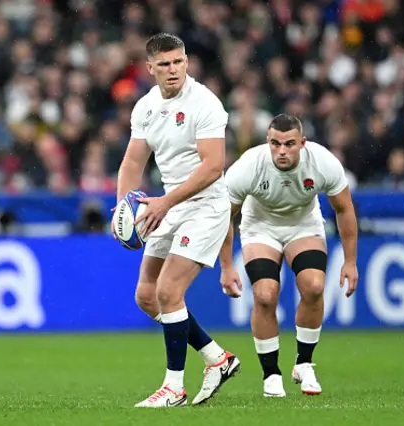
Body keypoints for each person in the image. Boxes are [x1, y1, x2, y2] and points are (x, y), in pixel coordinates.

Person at [115, 33, 240, 408]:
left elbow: (214, 166)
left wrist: (163, 203)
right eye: (165, 64)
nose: (173, 70)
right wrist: (125, 204)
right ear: (149, 68)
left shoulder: (205, 103)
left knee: (170, 292)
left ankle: (173, 389)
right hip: (168, 204)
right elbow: (133, 162)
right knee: (147, 296)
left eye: (179, 62)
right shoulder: (146, 107)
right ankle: (218, 358)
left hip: (205, 205)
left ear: (187, 62)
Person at [219, 114, 359, 397]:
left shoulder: (322, 162)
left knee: (315, 286)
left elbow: (344, 209)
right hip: (260, 228)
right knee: (265, 295)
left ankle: (304, 364)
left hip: (303, 225)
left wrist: (350, 261)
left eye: (289, 144)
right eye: (275, 143)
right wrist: (225, 267)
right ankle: (271, 374)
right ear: (267, 141)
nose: (281, 151)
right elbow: (223, 217)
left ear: (303, 143)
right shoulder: (248, 165)